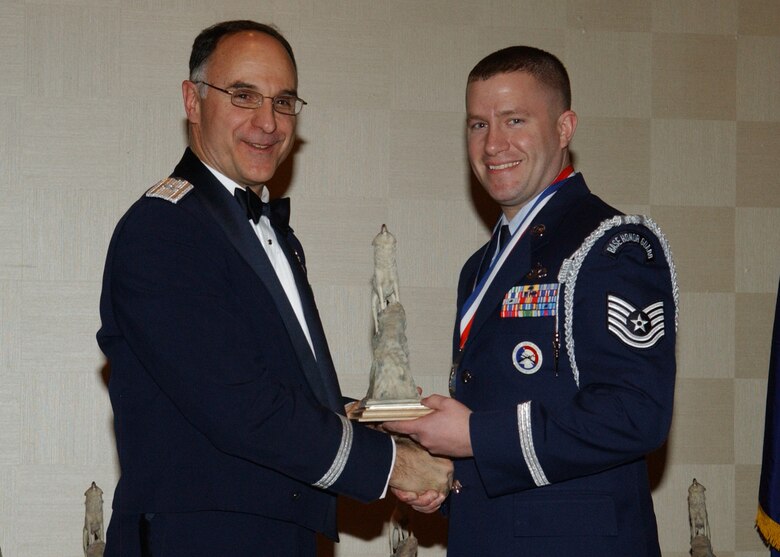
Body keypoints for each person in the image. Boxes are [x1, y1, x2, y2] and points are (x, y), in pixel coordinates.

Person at [96, 20, 451, 557]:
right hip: (197, 540)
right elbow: (239, 404)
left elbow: (283, 390)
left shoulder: (268, 234)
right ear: (193, 101)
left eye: (284, 103)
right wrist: (392, 466)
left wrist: (385, 425)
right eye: (243, 96)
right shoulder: (163, 229)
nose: (268, 122)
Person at [387, 46, 678, 556]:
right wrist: (446, 479)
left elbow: (635, 413)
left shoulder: (613, 243)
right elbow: (509, 415)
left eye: (514, 120)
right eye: (478, 125)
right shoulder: (480, 265)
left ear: (564, 128)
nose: (493, 144)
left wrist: (475, 434)